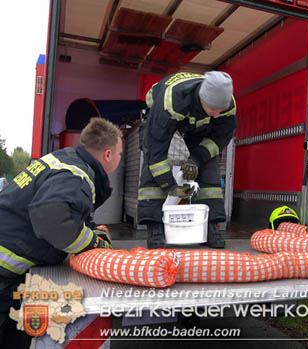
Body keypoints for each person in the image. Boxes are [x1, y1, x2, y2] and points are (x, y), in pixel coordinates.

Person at [0, 117, 121, 348]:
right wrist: (93, 243)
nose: (119, 159)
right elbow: (52, 220)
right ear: (107, 155)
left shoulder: (62, 160)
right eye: (120, 154)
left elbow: (63, 211)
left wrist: (90, 231)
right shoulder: (77, 174)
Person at [138, 71, 236, 249]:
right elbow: (155, 149)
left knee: (210, 165)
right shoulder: (171, 101)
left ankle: (210, 227)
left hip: (197, 124)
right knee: (152, 166)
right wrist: (170, 187)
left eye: (219, 111)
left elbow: (220, 138)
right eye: (213, 109)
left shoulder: (226, 106)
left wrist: (196, 159)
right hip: (162, 115)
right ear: (202, 98)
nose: (216, 114)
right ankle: (155, 228)